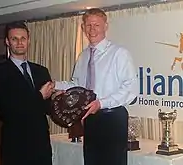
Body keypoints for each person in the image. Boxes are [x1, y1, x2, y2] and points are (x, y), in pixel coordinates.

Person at [54, 8, 137, 165]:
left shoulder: (119, 53)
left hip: (112, 118)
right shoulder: (83, 56)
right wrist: (55, 85)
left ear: (106, 26)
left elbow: (131, 89)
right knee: (91, 161)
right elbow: (77, 86)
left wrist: (101, 103)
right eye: (88, 25)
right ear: (83, 27)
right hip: (90, 118)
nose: (92, 29)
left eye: (96, 25)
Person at [0, 22, 54, 165]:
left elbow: (47, 108)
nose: (19, 43)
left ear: (29, 41)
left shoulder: (41, 71)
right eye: (14, 39)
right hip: (16, 145)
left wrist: (58, 99)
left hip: (41, 144)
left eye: (23, 38)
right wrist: (40, 96)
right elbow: (10, 108)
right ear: (7, 42)